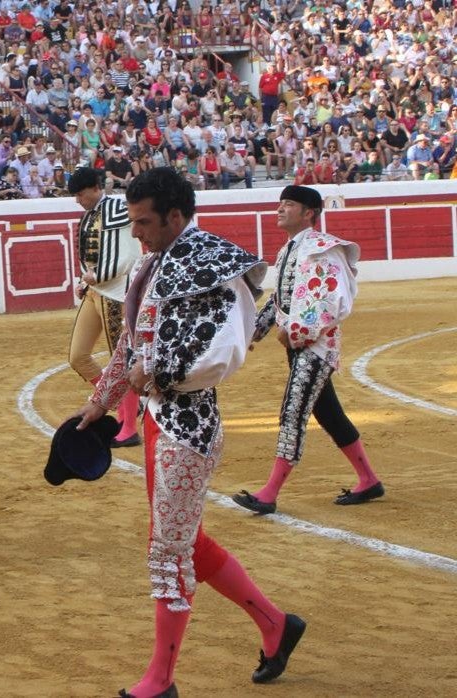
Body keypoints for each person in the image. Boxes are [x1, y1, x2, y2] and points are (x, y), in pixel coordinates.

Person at [72, 167, 305, 697]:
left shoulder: (210, 264)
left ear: (176, 216)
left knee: (167, 553)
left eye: (145, 222)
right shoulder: (153, 264)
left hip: (189, 429)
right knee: (185, 543)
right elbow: (131, 348)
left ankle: (161, 680)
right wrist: (98, 404)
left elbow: (224, 351)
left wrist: (154, 375)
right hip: (159, 422)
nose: (136, 233)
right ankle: (275, 625)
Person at [233, 186, 384, 515]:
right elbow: (281, 299)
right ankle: (369, 479)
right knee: (329, 415)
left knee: (293, 412)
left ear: (309, 214)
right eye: (281, 203)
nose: (280, 209)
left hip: (315, 347)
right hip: (302, 345)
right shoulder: (292, 249)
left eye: (289, 204)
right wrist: (254, 331)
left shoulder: (321, 250)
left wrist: (296, 333)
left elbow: (329, 302)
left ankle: (269, 493)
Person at [68, 167, 142, 447]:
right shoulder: (89, 215)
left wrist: (96, 276)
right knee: (78, 357)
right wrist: (85, 280)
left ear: (95, 187)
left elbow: (130, 255)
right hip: (94, 292)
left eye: (80, 193)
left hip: (117, 296)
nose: (78, 200)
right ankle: (120, 405)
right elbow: (90, 255)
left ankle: (129, 427)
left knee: (122, 362)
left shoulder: (119, 208)